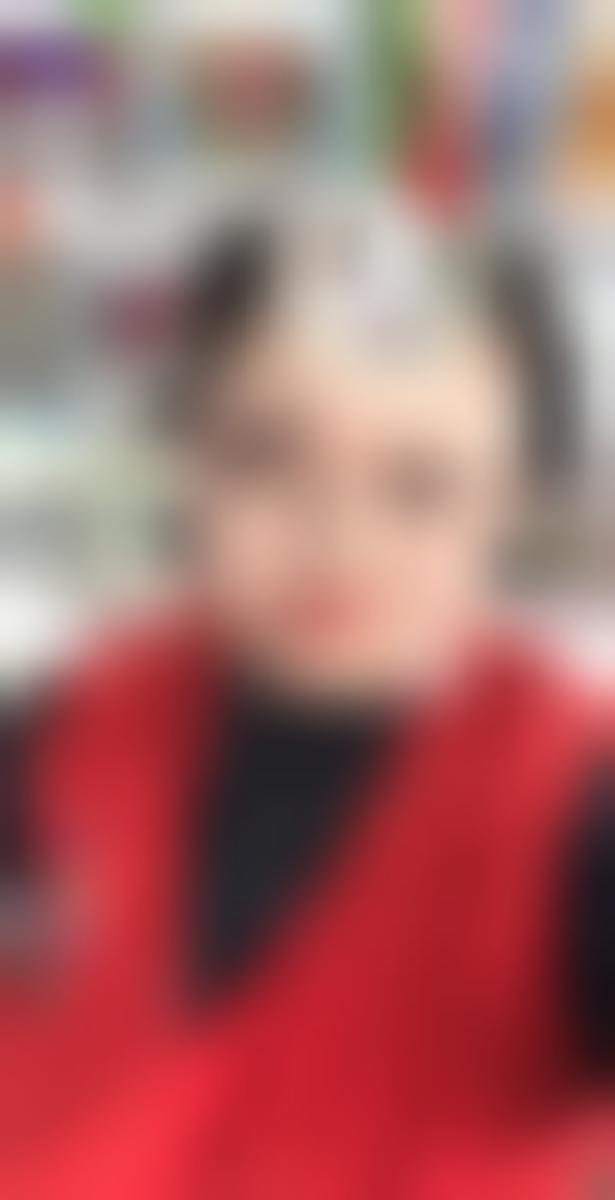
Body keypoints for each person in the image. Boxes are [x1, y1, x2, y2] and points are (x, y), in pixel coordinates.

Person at [1, 196, 612, 1198]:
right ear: (186, 456)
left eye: (419, 486)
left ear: (505, 505)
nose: (337, 542)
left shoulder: (575, 805)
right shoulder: (56, 731)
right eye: (267, 456)